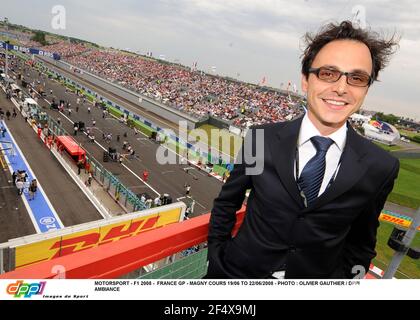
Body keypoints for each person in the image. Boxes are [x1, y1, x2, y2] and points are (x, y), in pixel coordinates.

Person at [206, 21, 400, 279]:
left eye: (356, 78)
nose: (341, 88)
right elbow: (227, 202)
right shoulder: (260, 138)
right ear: (306, 81)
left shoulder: (381, 167)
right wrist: (217, 256)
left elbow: (362, 243)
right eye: (328, 73)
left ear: (366, 89)